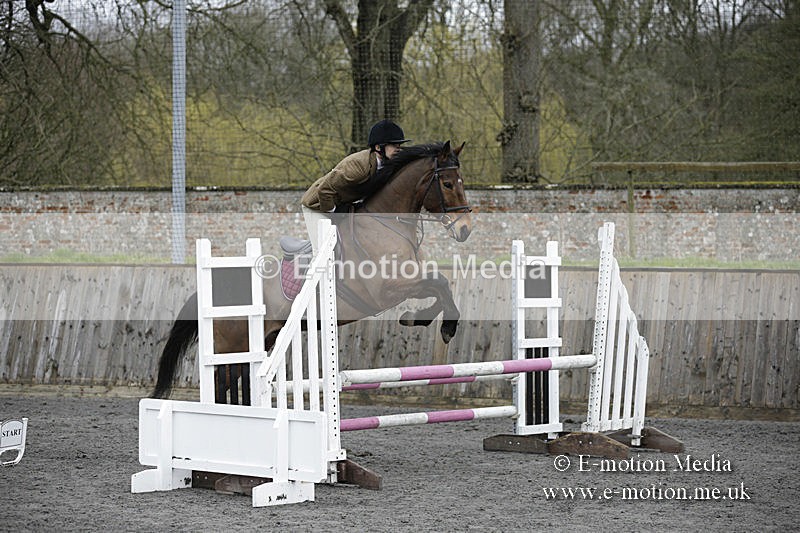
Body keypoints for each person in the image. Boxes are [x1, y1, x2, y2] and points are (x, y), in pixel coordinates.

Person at [301, 119, 410, 249]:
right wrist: (335, 212)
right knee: (324, 252)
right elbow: (324, 190)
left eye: (399, 145)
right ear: (378, 147)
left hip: (341, 205)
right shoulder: (358, 167)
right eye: (393, 145)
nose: (398, 149)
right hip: (318, 205)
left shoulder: (387, 165)